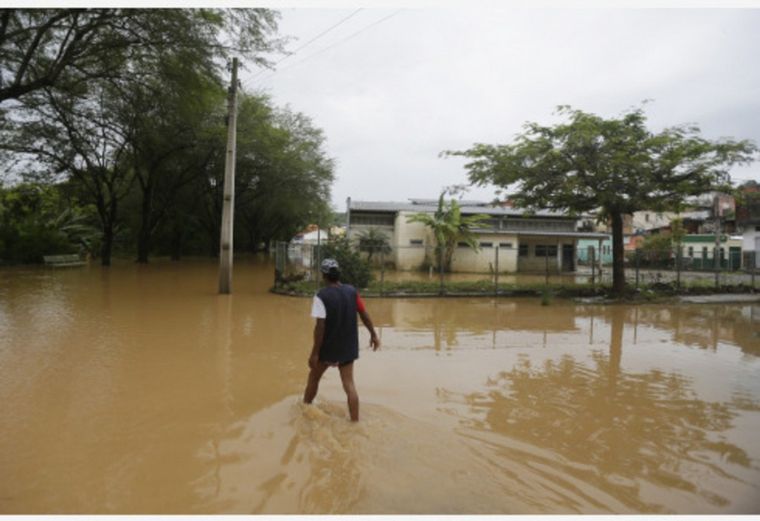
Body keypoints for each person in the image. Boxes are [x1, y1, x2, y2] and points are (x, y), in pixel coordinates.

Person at [303, 258, 380, 421]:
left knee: (314, 378)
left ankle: (305, 408)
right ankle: (355, 422)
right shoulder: (352, 291)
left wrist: (314, 354)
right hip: (348, 346)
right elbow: (364, 314)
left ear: (323, 275)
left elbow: (320, 327)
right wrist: (373, 334)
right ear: (338, 274)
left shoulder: (321, 296)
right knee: (349, 385)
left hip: (328, 347)